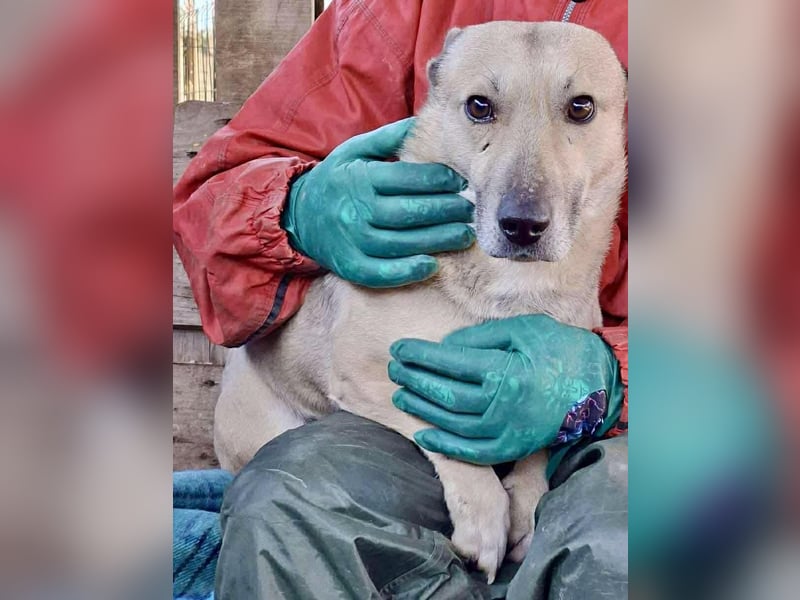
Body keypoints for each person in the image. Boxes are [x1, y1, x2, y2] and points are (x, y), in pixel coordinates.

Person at [173, 1, 628, 597]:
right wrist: (293, 209)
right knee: (285, 505)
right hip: (362, 420)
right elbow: (213, 198)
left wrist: (612, 375)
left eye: (579, 110)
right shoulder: (400, 11)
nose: (527, 191)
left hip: (636, 434)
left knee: (627, 541)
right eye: (482, 108)